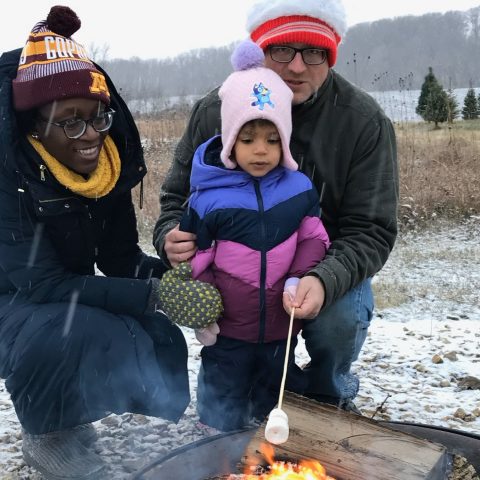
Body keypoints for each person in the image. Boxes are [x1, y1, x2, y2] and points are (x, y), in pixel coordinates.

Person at [0, 6, 222, 479]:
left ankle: (71, 417)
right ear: (34, 127)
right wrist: (155, 296)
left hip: (49, 297)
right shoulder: (8, 177)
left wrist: (178, 279)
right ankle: (48, 437)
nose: (91, 137)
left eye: (98, 118)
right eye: (70, 122)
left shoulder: (104, 173)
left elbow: (120, 258)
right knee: (64, 334)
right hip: (13, 299)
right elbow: (41, 284)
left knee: (148, 333)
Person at [153, 0, 398, 415]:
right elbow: (175, 199)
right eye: (282, 50)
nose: (297, 67)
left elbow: (371, 229)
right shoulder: (217, 109)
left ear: (331, 54)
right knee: (232, 362)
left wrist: (323, 278)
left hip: (320, 260)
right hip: (233, 265)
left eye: (314, 52)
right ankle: (235, 399)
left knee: (340, 319)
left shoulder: (362, 122)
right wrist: (171, 237)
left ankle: (325, 396)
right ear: (259, 52)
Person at [178, 40, 330, 431]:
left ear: (285, 139)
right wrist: (203, 309)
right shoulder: (208, 199)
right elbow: (198, 259)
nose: (260, 150)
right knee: (222, 394)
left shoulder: (298, 189)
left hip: (281, 323)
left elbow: (314, 237)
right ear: (231, 139)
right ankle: (217, 439)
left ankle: (271, 442)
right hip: (228, 327)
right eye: (248, 140)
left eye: (272, 139)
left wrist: (299, 276)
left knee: (274, 392)